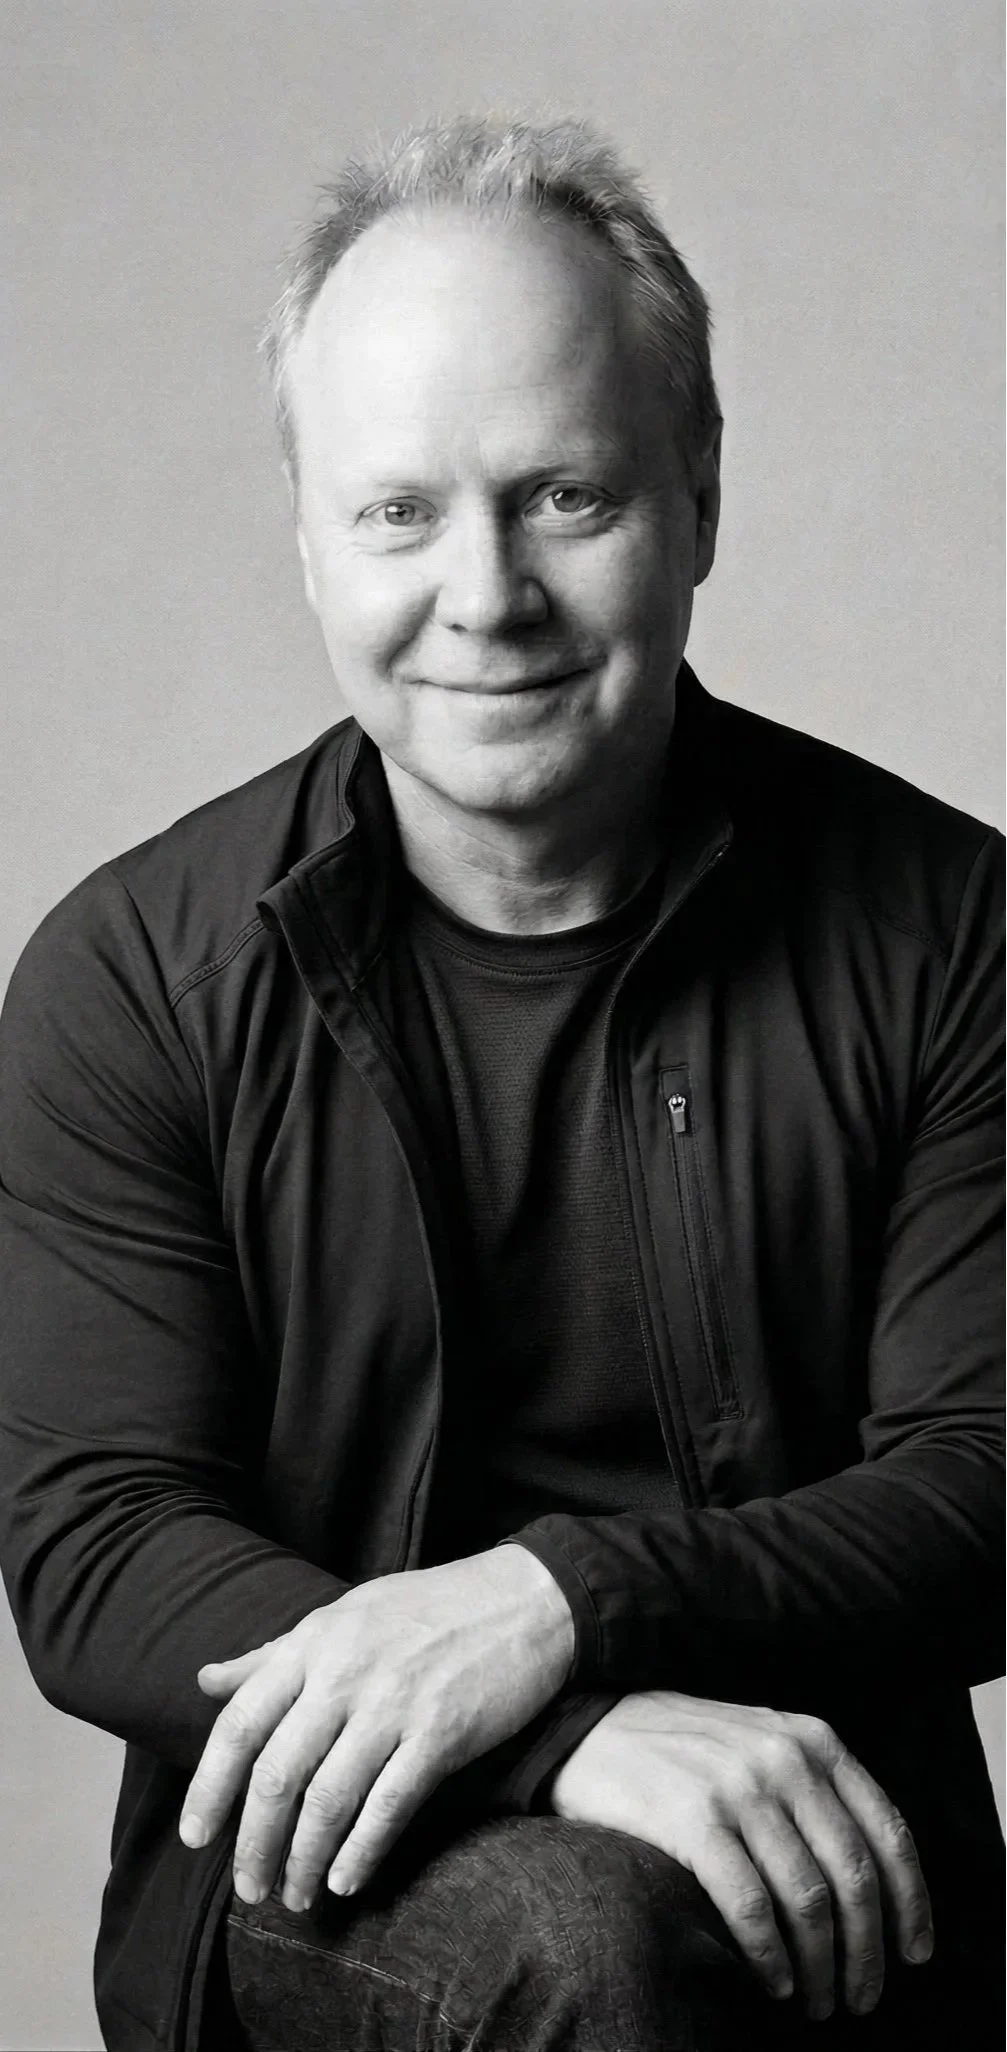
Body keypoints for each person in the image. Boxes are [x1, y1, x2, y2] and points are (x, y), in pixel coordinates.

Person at [0, 116, 1002, 2052]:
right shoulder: (133, 972)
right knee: (594, 1932)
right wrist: (565, 1723)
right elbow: (99, 1539)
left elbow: (988, 1478)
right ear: (308, 537)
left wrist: (564, 1601)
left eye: (561, 496)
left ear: (696, 497)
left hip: (842, 1887)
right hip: (328, 1888)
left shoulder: (955, 932)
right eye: (399, 513)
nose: (484, 594)